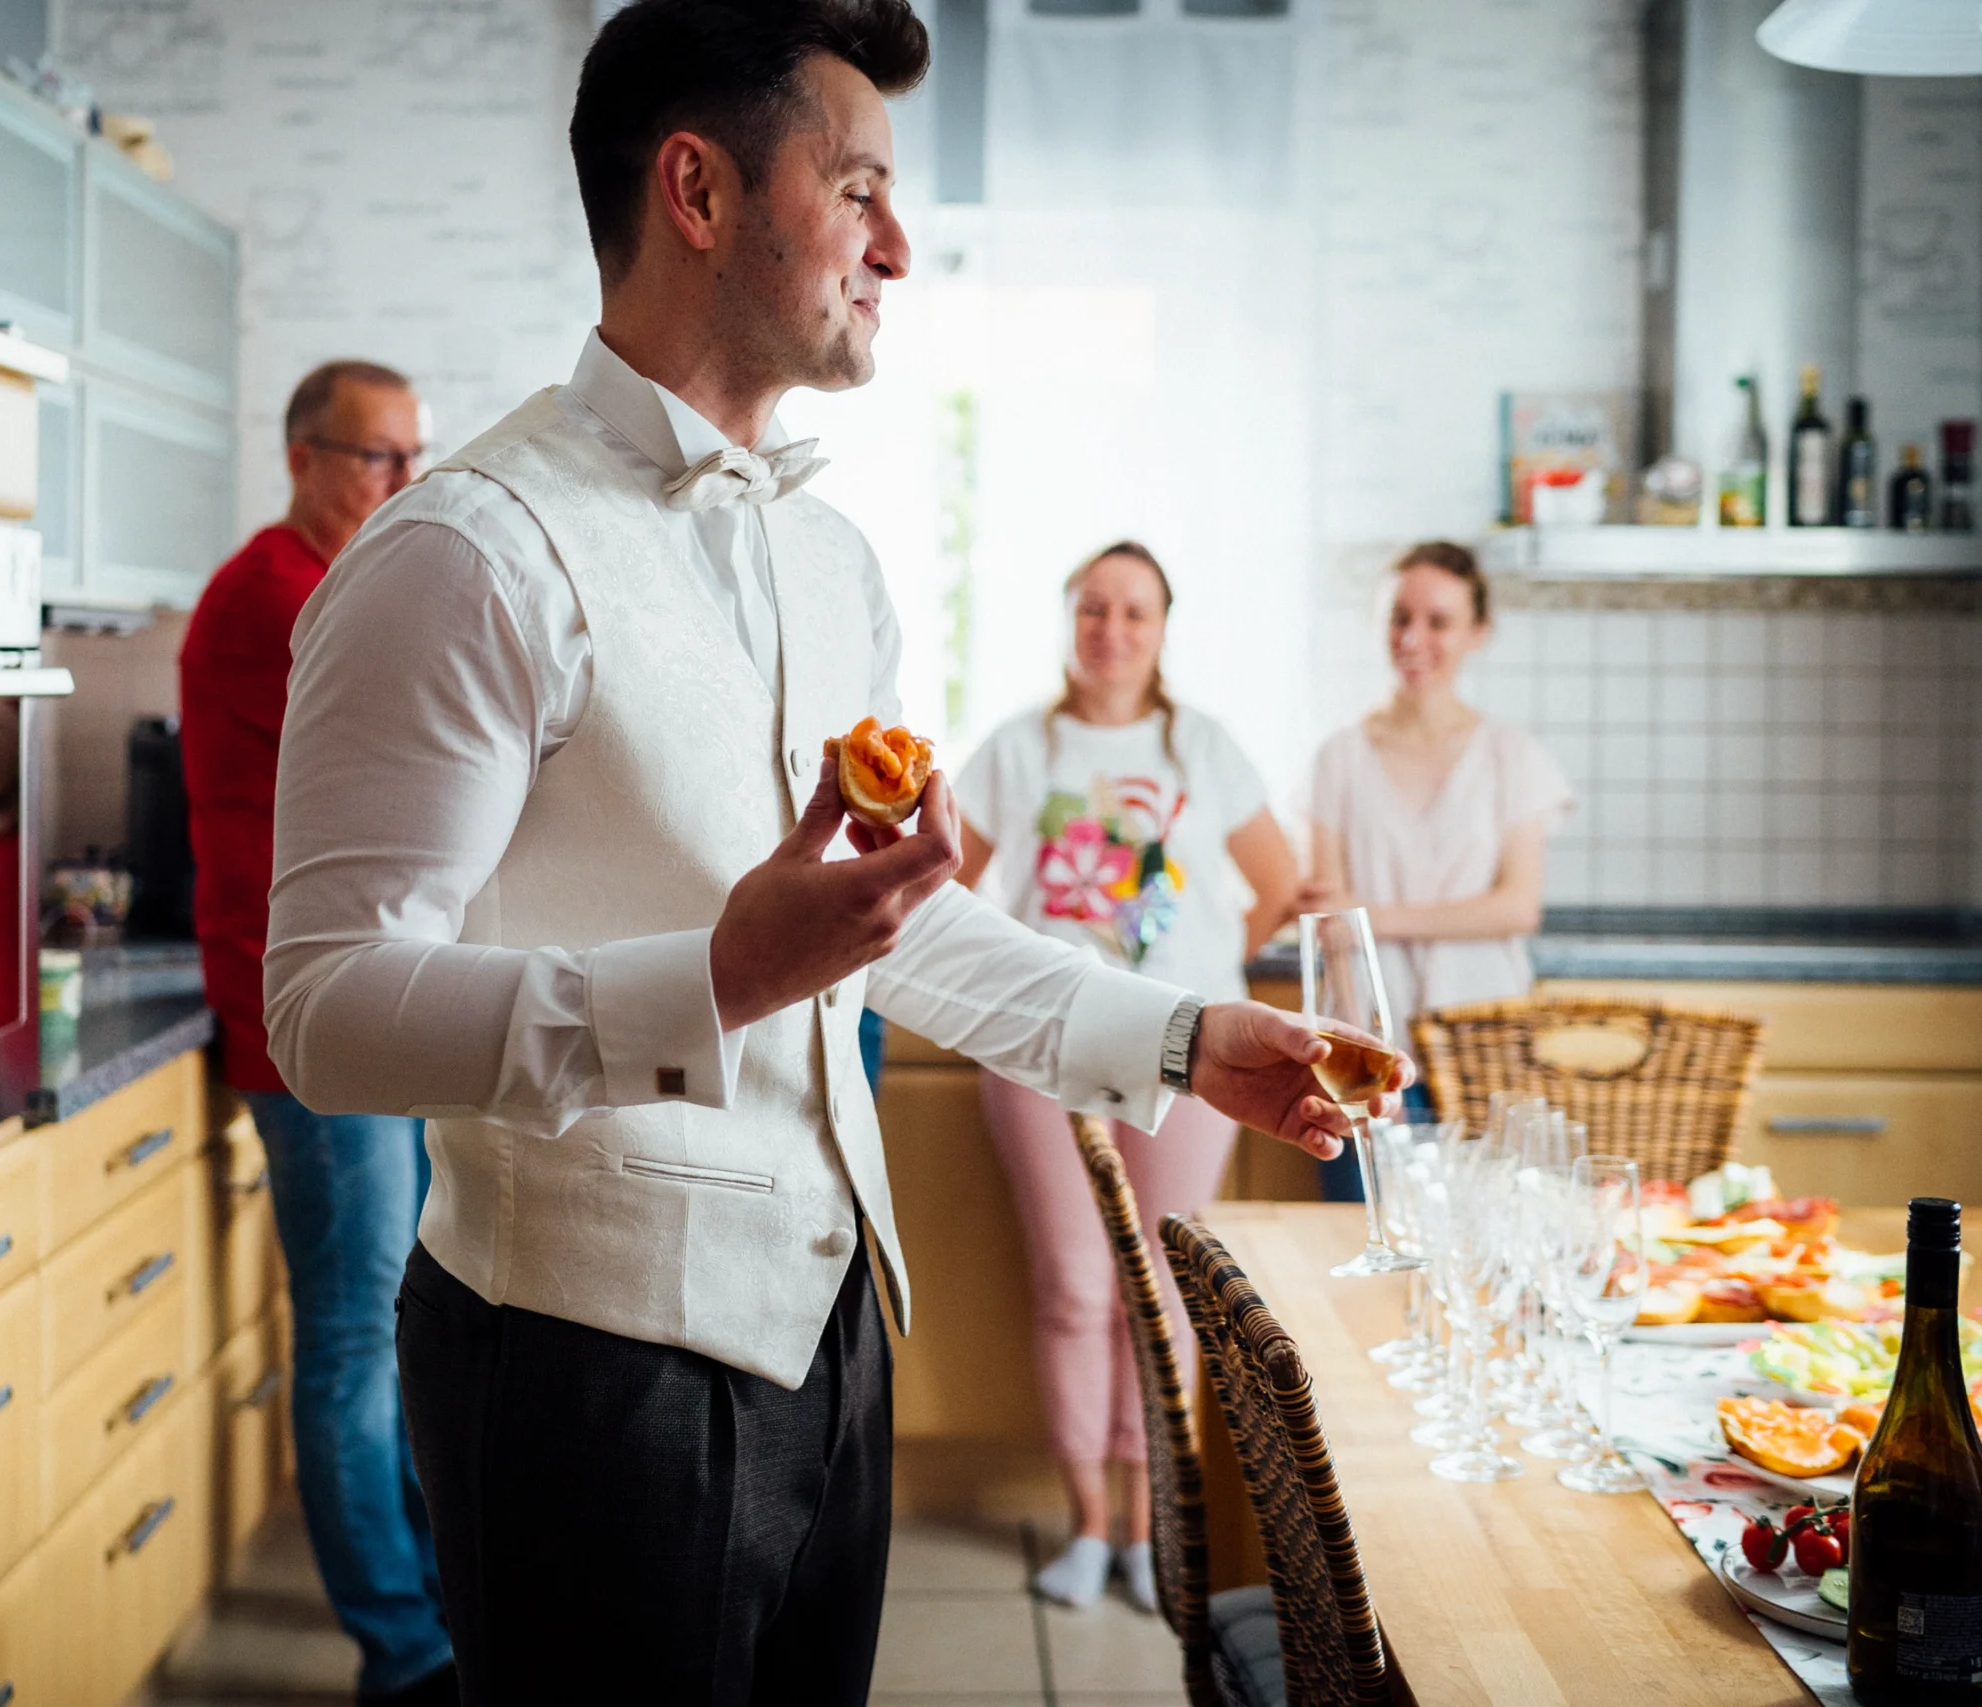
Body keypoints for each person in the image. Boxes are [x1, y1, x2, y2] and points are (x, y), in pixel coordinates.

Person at [261, 5, 1391, 1699]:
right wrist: (717, 975)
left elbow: (893, 925)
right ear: (698, 190)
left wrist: (1178, 1037)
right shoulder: (461, 558)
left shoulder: (831, 559)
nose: (900, 246)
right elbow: (329, 1013)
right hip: (582, 1367)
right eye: (856, 187)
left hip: (840, 1335)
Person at [178, 360, 456, 1707]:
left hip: (359, 1013)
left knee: (387, 1330)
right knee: (354, 1337)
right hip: (311, 1028)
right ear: (302, 456)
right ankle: (405, 1655)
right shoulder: (281, 598)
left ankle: (431, 1616)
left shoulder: (322, 583)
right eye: (378, 459)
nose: (403, 481)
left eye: (413, 456)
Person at [954, 541, 1297, 1611]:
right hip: (1039, 1050)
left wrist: (1189, 958)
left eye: (1134, 612)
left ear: (1161, 628)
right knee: (1072, 1288)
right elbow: (948, 894)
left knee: (1164, 1297)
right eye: (1092, 608)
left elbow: (1277, 886)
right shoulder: (1017, 747)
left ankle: (1154, 1535)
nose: (1111, 629)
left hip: (1187, 1052)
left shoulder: (1203, 747)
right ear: (1069, 619)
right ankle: (1085, 1530)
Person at [1299, 539, 1571, 1193]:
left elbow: (1517, 905)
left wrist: (1370, 915)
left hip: (1481, 1049)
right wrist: (1353, 1029)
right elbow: (1326, 921)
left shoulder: (1514, 757)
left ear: (1478, 632)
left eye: (1438, 621)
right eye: (1399, 616)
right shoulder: (1337, 757)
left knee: (1481, 1255)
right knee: (1367, 1250)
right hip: (1362, 1057)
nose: (1413, 637)